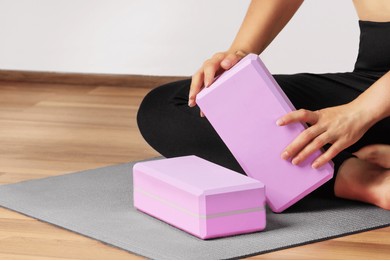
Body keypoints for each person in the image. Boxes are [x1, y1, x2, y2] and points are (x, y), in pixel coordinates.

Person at [137, 0, 390, 210]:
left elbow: (361, 110)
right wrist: (238, 54)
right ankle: (360, 176)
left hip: (374, 103)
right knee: (170, 106)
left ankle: (368, 179)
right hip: (371, 80)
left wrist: (361, 112)